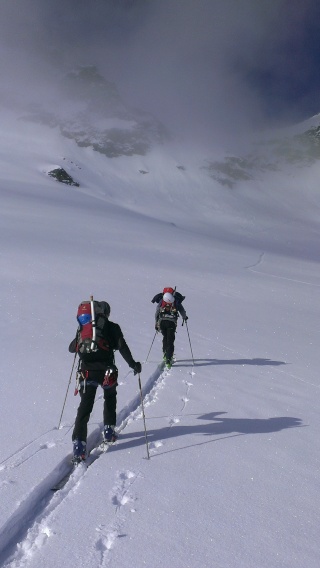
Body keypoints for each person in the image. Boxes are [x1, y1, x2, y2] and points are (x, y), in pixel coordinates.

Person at [69, 301, 141, 463]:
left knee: (85, 407)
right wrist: (133, 364)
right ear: (106, 313)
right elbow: (122, 346)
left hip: (87, 373)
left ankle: (79, 446)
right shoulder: (112, 326)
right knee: (110, 398)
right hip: (107, 371)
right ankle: (109, 431)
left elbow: (72, 348)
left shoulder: (84, 326)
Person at [154, 288, 188, 367]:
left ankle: (165, 354)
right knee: (170, 340)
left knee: (165, 338)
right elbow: (182, 311)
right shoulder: (176, 301)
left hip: (162, 322)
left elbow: (157, 312)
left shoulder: (162, 301)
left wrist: (156, 323)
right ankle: (169, 359)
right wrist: (185, 317)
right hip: (171, 323)